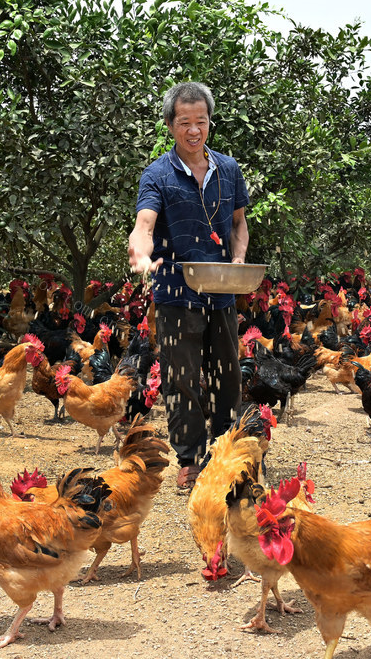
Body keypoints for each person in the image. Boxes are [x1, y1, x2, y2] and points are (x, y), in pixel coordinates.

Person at [128, 82, 250, 490]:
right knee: (181, 377)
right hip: (175, 293)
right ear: (170, 126)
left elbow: (238, 224)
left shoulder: (229, 170)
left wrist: (237, 261)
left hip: (222, 290)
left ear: (210, 123)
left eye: (201, 121)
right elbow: (144, 224)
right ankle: (190, 456)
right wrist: (140, 252)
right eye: (185, 122)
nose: (194, 130)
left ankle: (225, 449)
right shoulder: (157, 174)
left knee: (227, 373)